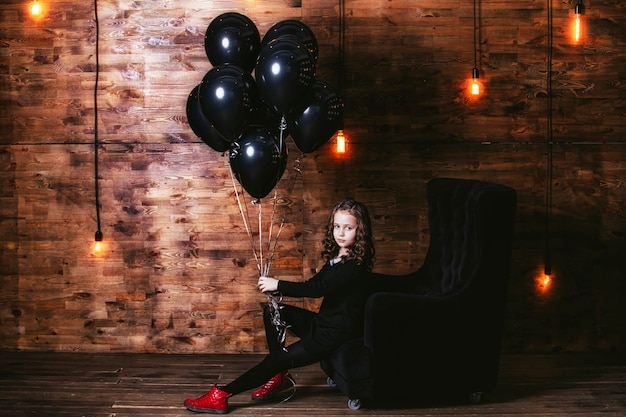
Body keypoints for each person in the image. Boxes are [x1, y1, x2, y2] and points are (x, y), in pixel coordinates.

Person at [183, 198, 375, 414]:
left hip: (333, 335)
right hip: (323, 324)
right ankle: (279, 376)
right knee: (274, 311)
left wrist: (279, 284)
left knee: (277, 358)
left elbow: (317, 290)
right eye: (337, 226)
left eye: (348, 228)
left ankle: (222, 395)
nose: (340, 233)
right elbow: (312, 284)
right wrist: (278, 289)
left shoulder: (354, 266)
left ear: (360, 231)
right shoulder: (340, 257)